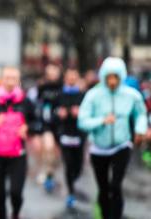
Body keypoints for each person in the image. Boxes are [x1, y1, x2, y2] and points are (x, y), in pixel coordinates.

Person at [78, 57, 147, 219]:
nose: (112, 81)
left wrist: (140, 129)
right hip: (99, 148)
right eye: (109, 77)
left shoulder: (131, 95)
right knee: (103, 188)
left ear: (121, 77)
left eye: (116, 77)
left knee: (115, 186)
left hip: (121, 145)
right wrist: (101, 121)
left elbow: (141, 114)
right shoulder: (93, 95)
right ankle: (104, 214)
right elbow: (82, 121)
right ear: (103, 77)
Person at [0, 67, 34, 219]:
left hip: (18, 154)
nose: (10, 82)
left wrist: (27, 127)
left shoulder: (26, 101)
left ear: (18, 80)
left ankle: (16, 212)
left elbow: (38, 123)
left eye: (14, 78)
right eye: (7, 78)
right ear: (1, 80)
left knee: (16, 192)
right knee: (0, 194)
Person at [54, 68, 87, 209]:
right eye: (69, 77)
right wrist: (58, 113)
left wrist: (80, 113)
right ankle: (70, 192)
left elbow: (88, 112)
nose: (72, 79)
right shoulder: (59, 95)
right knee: (68, 163)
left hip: (79, 134)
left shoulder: (83, 95)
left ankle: (72, 181)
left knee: (78, 165)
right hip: (64, 133)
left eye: (75, 76)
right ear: (65, 78)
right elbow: (51, 111)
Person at [33, 64, 62, 192]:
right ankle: (46, 172)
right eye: (49, 72)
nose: (52, 75)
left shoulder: (63, 87)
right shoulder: (42, 87)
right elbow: (37, 104)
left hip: (60, 124)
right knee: (48, 147)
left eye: (54, 72)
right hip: (46, 124)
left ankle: (51, 172)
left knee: (56, 153)